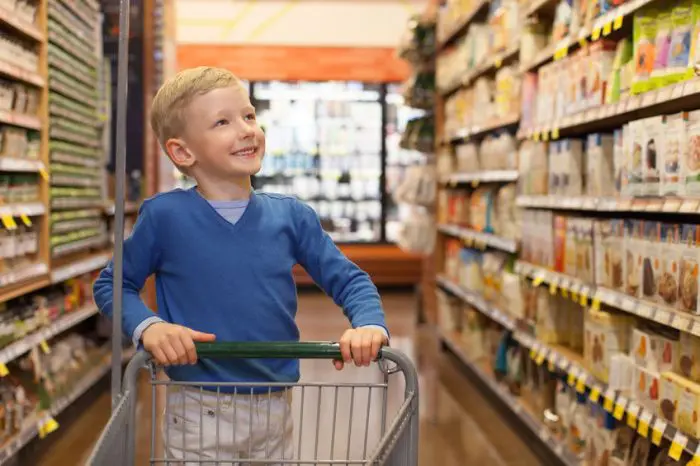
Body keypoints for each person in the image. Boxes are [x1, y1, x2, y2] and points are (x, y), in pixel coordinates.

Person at [92, 66, 389, 464]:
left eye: (249, 116)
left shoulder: (291, 217)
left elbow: (350, 280)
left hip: (275, 405)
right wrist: (151, 327)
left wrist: (368, 323)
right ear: (183, 152)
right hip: (199, 407)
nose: (247, 129)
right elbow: (112, 284)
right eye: (223, 122)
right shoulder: (164, 217)